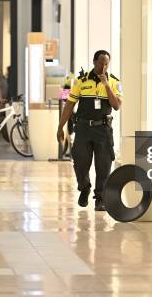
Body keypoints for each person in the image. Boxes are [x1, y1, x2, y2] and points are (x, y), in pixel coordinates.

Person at [56, 50, 123, 211]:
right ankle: (84, 188)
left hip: (103, 130)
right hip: (84, 129)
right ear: (94, 62)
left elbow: (117, 106)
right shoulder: (81, 80)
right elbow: (70, 104)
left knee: (103, 165)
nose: (104, 66)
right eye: (101, 63)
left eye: (107, 63)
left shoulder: (114, 82)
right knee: (80, 163)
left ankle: (100, 198)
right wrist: (60, 127)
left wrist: (106, 85)